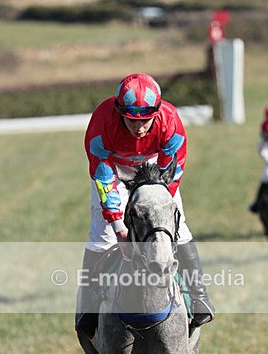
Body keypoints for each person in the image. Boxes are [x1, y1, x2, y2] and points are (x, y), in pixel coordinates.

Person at [75, 72, 214, 338]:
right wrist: (118, 225)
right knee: (101, 233)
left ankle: (199, 297)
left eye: (146, 120)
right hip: (115, 170)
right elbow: (103, 176)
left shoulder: (170, 121)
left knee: (178, 224)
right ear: (119, 113)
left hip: (154, 172)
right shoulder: (102, 122)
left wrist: (158, 199)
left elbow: (171, 172)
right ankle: (88, 308)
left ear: (157, 113)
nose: (139, 127)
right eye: (131, 120)